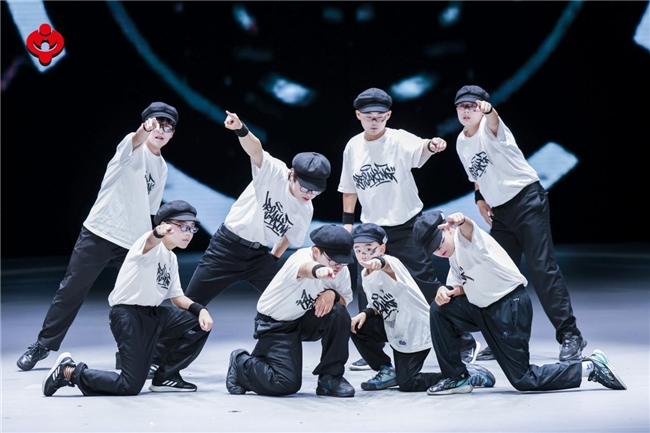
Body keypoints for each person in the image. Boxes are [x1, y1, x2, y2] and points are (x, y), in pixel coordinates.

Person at [149, 110, 331, 373]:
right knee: (192, 306)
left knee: (290, 297)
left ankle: (265, 362)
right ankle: (154, 360)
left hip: (259, 257)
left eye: (316, 190)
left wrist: (273, 259)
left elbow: (288, 238)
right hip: (226, 248)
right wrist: (240, 128)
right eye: (305, 187)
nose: (309, 194)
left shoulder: (306, 208)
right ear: (292, 175)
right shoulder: (274, 172)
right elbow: (255, 150)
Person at [17, 101, 178, 372]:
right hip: (100, 231)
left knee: (136, 298)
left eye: (168, 127)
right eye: (156, 124)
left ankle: (128, 354)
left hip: (132, 241)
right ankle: (43, 345)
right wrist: (143, 128)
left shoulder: (161, 167)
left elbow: (150, 210)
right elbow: (137, 137)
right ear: (147, 124)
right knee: (71, 290)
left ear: (173, 133)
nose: (161, 130)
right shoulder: (131, 144)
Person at [337, 87, 479, 371]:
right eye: (369, 116)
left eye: (380, 117)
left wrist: (433, 145)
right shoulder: (353, 147)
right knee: (368, 287)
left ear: (388, 116)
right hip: (371, 229)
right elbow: (348, 187)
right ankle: (373, 347)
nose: (375, 121)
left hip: (406, 226)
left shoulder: (398, 138)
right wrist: (348, 224)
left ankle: (462, 341)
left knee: (424, 285)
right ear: (358, 115)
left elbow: (421, 148)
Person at [412, 210, 626, 395]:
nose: (439, 251)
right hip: (483, 308)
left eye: (439, 243)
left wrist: (462, 220)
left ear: (448, 229)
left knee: (523, 379)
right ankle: (456, 377)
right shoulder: (453, 255)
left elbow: (468, 229)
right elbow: (459, 287)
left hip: (509, 307)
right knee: (440, 309)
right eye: (434, 250)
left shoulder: (467, 239)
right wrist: (443, 291)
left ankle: (590, 367)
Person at [452, 84, 586, 362]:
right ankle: (505, 339)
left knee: (542, 270)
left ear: (482, 108)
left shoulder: (492, 128)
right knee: (499, 274)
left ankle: (570, 334)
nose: (467, 111)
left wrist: (489, 110)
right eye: (462, 106)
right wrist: (480, 198)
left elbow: (493, 119)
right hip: (501, 213)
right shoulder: (461, 141)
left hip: (527, 201)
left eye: (472, 106)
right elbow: (475, 176)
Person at [42, 200, 214, 397]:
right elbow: (150, 241)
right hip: (128, 316)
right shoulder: (147, 244)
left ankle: (166, 377)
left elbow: (177, 298)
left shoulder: (171, 258)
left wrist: (201, 309)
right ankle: (68, 372)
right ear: (165, 225)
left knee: (197, 322)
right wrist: (157, 233)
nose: (188, 233)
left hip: (153, 315)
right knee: (129, 386)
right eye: (183, 226)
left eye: (192, 228)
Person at [350, 223, 496, 392]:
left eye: (369, 249)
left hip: (414, 330)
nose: (363, 254)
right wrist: (365, 313)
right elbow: (378, 303)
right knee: (356, 326)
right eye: (358, 250)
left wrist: (378, 261)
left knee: (408, 383)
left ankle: (463, 375)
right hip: (394, 326)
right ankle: (386, 370)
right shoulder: (365, 273)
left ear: (382, 249)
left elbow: (385, 264)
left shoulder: (392, 263)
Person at [225, 224, 356, 398]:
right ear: (316, 252)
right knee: (285, 383)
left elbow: (345, 300)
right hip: (276, 323)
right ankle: (241, 363)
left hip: (305, 318)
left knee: (338, 312)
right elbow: (305, 269)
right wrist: (319, 270)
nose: (338, 266)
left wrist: (332, 293)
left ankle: (330, 378)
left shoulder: (340, 269)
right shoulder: (300, 258)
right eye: (333, 261)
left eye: (343, 261)